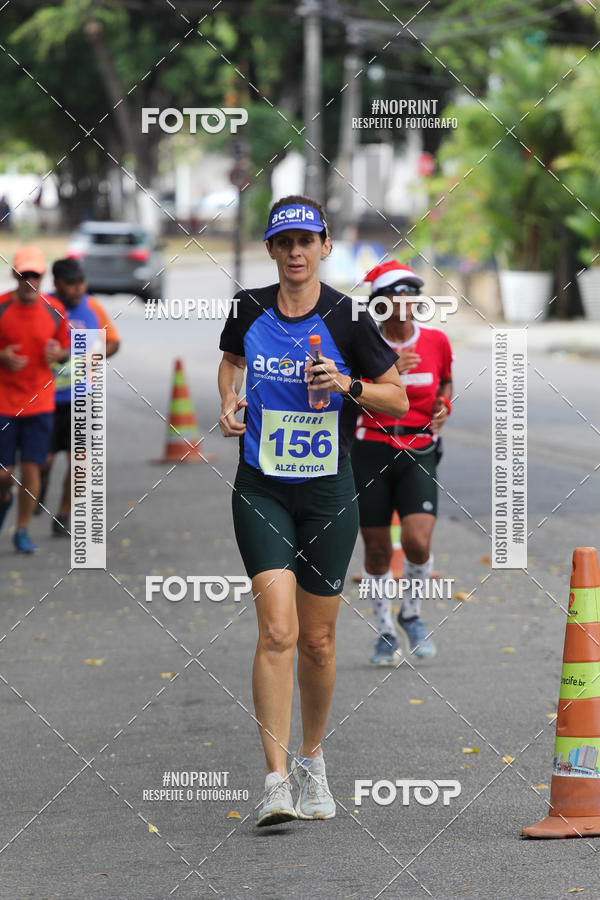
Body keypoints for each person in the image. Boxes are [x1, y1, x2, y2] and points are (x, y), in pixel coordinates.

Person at [218, 196, 408, 827]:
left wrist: (348, 385)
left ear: (326, 246)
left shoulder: (348, 318)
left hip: (329, 494)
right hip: (262, 488)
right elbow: (231, 363)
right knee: (277, 630)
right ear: (271, 250)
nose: (295, 252)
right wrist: (230, 402)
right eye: (284, 242)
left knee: (320, 642)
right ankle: (275, 782)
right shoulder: (248, 308)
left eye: (307, 241)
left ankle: (313, 761)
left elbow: (398, 399)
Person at [351, 261, 453, 665]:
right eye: (395, 293)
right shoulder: (362, 343)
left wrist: (444, 406)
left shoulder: (436, 341)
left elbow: (444, 384)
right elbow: (347, 393)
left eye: (411, 292)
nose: (405, 300)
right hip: (370, 450)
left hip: (419, 451)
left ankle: (411, 613)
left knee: (417, 541)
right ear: (378, 302)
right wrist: (389, 373)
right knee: (376, 552)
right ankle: (385, 633)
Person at [34, 258, 120, 535]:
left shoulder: (92, 307)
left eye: (81, 283)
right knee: (42, 461)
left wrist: (88, 356)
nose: (78, 289)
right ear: (56, 283)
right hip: (45, 399)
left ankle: (63, 515)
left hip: (82, 397)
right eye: (71, 284)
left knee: (79, 461)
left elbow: (113, 342)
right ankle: (40, 484)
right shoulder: (42, 306)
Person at [0, 247, 70, 553]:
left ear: (42, 277)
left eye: (35, 276)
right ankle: (5, 498)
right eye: (23, 275)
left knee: (32, 469)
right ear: (14, 275)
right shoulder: (1, 307)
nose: (29, 281)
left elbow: (68, 350)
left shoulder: (54, 310)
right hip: (3, 403)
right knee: (3, 475)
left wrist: (60, 354)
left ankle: (22, 530)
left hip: (40, 402)